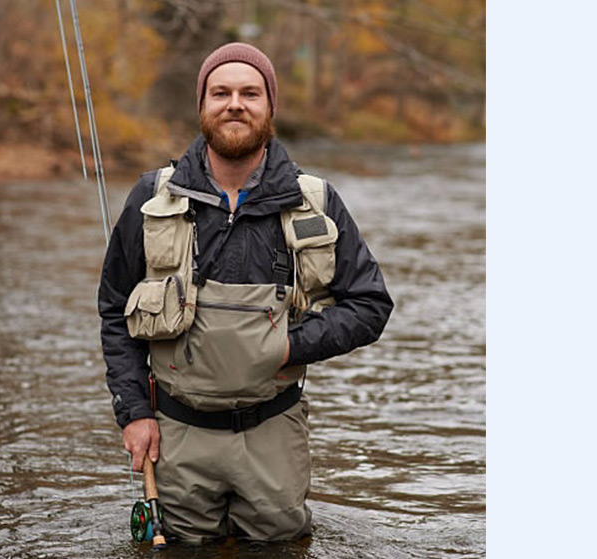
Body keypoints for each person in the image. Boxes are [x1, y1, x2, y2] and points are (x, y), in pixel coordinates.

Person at [99, 42, 393, 543]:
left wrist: (290, 346)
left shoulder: (315, 202)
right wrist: (135, 414)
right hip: (176, 433)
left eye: (250, 93)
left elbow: (370, 306)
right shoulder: (152, 198)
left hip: (273, 430)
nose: (235, 104)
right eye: (221, 93)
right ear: (202, 105)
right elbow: (114, 311)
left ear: (270, 106)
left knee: (278, 547)